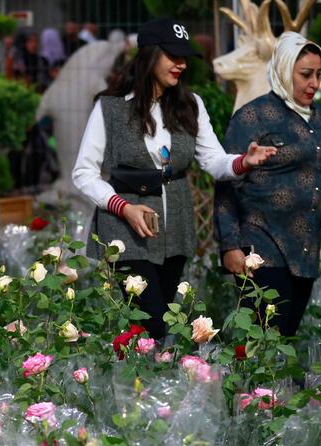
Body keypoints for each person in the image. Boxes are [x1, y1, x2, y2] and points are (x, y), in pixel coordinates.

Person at [72, 17, 276, 341]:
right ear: (150, 54)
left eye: (185, 57)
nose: (181, 64)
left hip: (175, 226)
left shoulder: (190, 105)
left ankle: (144, 386)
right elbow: (83, 172)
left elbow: (213, 161)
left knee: (160, 323)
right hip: (126, 231)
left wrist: (244, 161)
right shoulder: (110, 108)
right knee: (151, 322)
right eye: (173, 55)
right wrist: (123, 207)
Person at [214, 32, 321, 338]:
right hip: (261, 246)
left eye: (319, 75)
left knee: (285, 338)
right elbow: (226, 182)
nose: (314, 84)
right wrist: (230, 245)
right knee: (266, 342)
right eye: (305, 75)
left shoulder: (320, 117)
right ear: (283, 69)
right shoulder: (253, 116)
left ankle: (271, 388)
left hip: (303, 251)